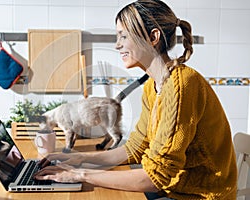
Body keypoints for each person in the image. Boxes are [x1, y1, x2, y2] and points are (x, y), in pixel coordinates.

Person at [34, 0, 237, 199]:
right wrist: (77, 159)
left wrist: (79, 174)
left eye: (123, 36)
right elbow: (136, 148)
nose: (117, 45)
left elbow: (154, 177)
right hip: (174, 189)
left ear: (152, 37)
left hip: (200, 195)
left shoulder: (182, 85)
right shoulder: (152, 86)